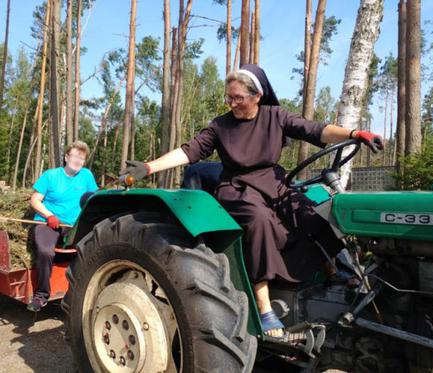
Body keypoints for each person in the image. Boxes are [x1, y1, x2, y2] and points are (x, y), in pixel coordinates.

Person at [120, 64, 383, 340]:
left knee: (310, 213)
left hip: (273, 182)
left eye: (238, 98)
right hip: (237, 187)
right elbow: (189, 151)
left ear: (257, 96)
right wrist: (149, 167)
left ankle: (333, 270)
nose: (232, 103)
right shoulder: (221, 126)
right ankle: (264, 305)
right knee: (259, 221)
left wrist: (355, 134)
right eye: (229, 97)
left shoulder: (275, 116)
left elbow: (316, 130)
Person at [28, 140, 98, 312]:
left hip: (73, 226)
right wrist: (49, 215)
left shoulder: (86, 176)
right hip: (48, 223)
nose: (78, 161)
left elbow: (93, 198)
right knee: (45, 251)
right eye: (75, 156)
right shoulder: (51, 176)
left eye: (82, 158)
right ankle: (41, 296)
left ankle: (85, 292)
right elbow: (34, 200)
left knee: (93, 249)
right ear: (67, 157)